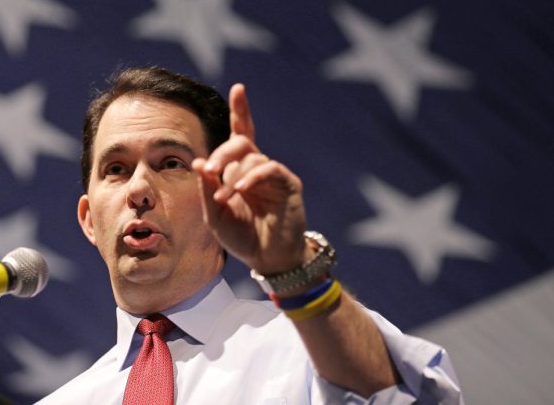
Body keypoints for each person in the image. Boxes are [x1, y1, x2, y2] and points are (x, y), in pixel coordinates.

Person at [37, 67, 462, 404]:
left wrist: (292, 269)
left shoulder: (315, 344)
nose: (139, 190)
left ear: (220, 194)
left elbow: (406, 399)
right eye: (116, 169)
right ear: (89, 219)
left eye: (170, 163)